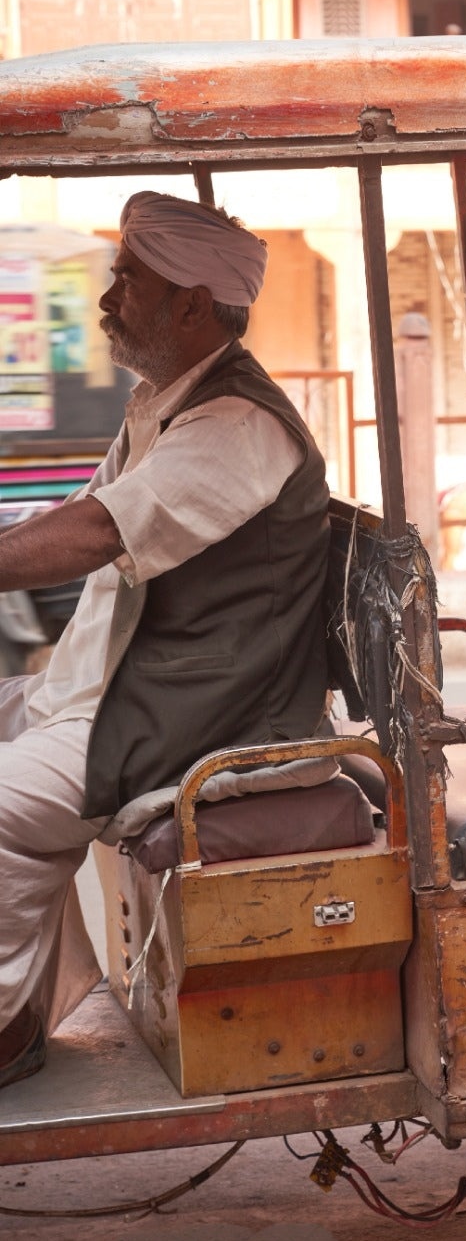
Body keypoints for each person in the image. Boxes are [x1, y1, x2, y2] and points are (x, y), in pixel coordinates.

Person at [0, 192, 330, 1090]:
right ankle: (23, 1009)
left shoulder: (238, 426)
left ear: (191, 304)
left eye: (126, 281)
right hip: (126, 684)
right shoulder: (164, 403)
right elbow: (77, 516)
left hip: (205, 713)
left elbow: (100, 533)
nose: (108, 299)